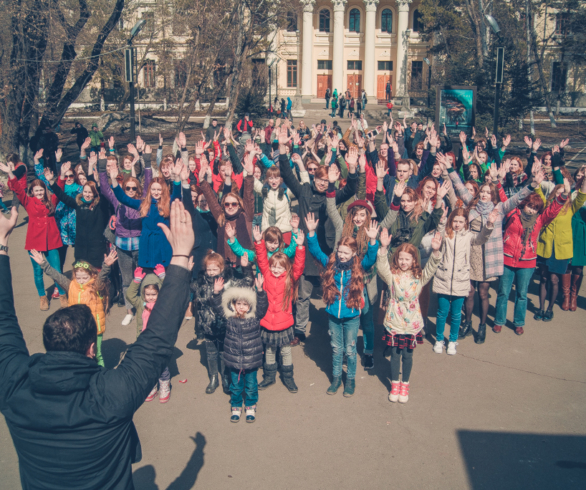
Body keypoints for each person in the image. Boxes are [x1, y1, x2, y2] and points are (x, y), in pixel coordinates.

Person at [0, 200, 194, 489]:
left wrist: (2, 244)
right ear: (92, 348)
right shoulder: (111, 394)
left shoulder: (15, 385)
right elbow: (157, 340)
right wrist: (179, 257)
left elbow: (3, 323)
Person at [277, 129, 358, 346]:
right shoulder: (304, 190)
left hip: (327, 252)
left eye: (326, 180)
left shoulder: (333, 196)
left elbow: (351, 188)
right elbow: (286, 174)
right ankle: (300, 330)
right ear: (314, 177)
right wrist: (283, 149)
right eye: (319, 179)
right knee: (302, 296)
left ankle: (334, 328)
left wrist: (351, 168)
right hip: (305, 251)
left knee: (332, 292)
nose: (322, 183)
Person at [306, 213, 379, 397]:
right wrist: (312, 233)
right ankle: (337, 378)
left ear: (354, 253)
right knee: (337, 348)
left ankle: (350, 380)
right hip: (333, 316)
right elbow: (316, 252)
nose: (342, 255)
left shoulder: (359, 266)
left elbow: (371, 258)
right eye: (340, 252)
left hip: (352, 316)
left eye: (346, 253)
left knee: (350, 349)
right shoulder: (332, 264)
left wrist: (372, 241)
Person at [494, 182, 568, 334]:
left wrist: (564, 195)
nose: (532, 210)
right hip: (507, 259)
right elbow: (504, 199)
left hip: (527, 262)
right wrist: (498, 183)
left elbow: (553, 210)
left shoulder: (540, 220)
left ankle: (519, 322)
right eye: (530, 206)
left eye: (535, 208)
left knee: (522, 294)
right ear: (524, 204)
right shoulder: (512, 213)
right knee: (503, 292)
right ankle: (499, 321)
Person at [377, 230, 442, 403]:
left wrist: (435, 251)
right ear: (397, 259)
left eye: (407, 259)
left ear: (414, 260)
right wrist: (383, 248)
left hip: (412, 323)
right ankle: (395, 384)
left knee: (408, 355)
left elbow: (431, 268)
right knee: (395, 354)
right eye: (401, 258)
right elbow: (381, 268)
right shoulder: (392, 276)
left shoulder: (419, 276)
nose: (404, 262)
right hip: (394, 321)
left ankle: (405, 384)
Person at [1, 162, 66, 310]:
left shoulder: (51, 201)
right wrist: (10, 173)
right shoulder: (28, 202)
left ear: (44, 190)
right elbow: (17, 189)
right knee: (38, 272)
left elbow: (59, 190)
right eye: (36, 191)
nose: (39, 193)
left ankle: (62, 294)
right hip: (35, 243)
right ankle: (42, 296)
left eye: (41, 190)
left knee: (56, 270)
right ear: (32, 191)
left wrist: (61, 176)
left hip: (52, 241)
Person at [433, 208, 496, 355]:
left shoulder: (469, 236)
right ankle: (439, 340)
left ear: (466, 222)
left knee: (456, 314)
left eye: (461, 221)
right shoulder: (446, 234)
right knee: (442, 312)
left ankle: (453, 341)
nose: (457, 224)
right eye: (455, 221)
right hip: (443, 278)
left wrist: (489, 225)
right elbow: (439, 231)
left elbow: (481, 239)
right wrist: (442, 220)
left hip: (461, 280)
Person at [191, 251, 255, 394]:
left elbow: (247, 282)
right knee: (211, 353)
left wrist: (246, 268)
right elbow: (193, 293)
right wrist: (187, 273)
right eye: (209, 270)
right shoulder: (201, 282)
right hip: (208, 324)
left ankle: (226, 378)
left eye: (215, 269)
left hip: (225, 324)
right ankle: (213, 378)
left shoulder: (229, 281)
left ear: (221, 269)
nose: (212, 273)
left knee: (224, 352)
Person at [253, 226, 306, 392]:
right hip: (268, 322)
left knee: (285, 351)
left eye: (279, 267)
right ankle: (269, 377)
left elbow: (298, 265)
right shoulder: (267, 274)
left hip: (284, 322)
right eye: (273, 266)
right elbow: (261, 258)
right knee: (269, 350)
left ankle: (288, 378)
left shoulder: (290, 278)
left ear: (286, 268)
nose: (275, 270)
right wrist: (259, 242)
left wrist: (300, 247)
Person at [535, 154, 586, 321]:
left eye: (563, 193)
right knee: (543, 278)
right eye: (557, 193)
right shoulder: (546, 206)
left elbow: (581, 197)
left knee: (554, 279)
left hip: (561, 250)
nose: (560, 196)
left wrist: (584, 180)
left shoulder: (571, 208)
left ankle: (550, 309)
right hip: (545, 247)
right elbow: (538, 193)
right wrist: (536, 180)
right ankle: (541, 308)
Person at [212, 275, 268, 423]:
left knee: (251, 385)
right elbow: (218, 308)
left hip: (251, 358)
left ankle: (250, 405)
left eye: (245, 304)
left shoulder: (254, 317)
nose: (241, 306)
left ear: (250, 306)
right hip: (234, 358)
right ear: (233, 304)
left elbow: (262, 306)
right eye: (238, 303)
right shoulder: (230, 318)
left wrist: (260, 290)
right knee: (235, 386)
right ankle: (236, 405)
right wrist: (217, 293)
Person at [110, 158, 182, 269]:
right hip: (147, 244)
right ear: (149, 190)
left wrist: (177, 178)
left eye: (159, 189)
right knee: (147, 276)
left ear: (163, 190)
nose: (156, 192)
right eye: (153, 189)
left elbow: (177, 196)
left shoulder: (167, 203)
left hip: (162, 242)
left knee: (163, 274)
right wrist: (114, 181)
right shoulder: (143, 204)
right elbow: (124, 198)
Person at [45, 162, 110, 270]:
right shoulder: (78, 204)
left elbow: (102, 193)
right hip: (81, 250)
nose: (87, 195)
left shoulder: (100, 206)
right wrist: (51, 181)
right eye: (85, 192)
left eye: (90, 192)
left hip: (97, 249)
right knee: (82, 277)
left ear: (94, 194)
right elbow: (62, 196)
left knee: (97, 279)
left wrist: (97, 180)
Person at [127, 265, 174, 402]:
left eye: (154, 294)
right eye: (148, 294)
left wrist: (163, 278)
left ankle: (165, 384)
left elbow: (171, 293)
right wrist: (136, 281)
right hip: (144, 341)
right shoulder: (140, 303)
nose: (151, 297)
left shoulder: (163, 304)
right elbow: (129, 295)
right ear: (143, 293)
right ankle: (151, 385)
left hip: (159, 340)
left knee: (161, 365)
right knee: (147, 365)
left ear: (159, 293)